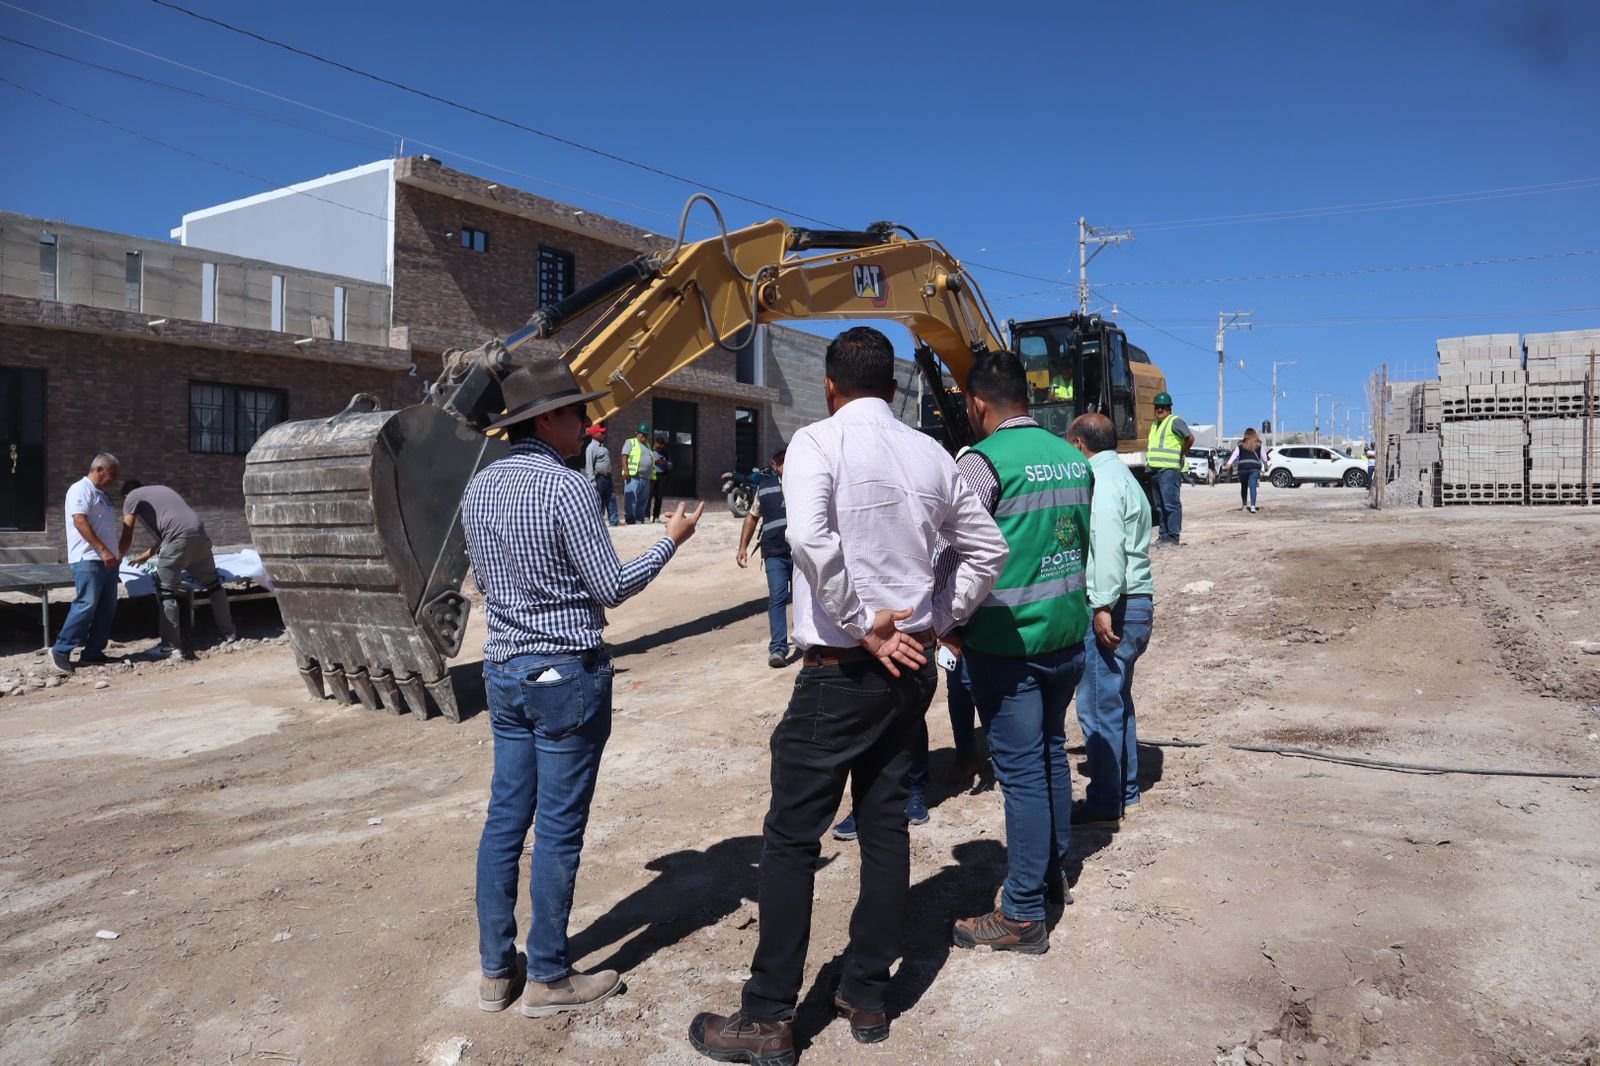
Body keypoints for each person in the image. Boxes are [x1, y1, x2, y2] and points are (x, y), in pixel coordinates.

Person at [688, 326, 1006, 1064]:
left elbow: (807, 540)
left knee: (792, 840)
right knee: (885, 827)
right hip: (910, 666)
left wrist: (864, 625)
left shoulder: (816, 443)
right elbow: (987, 549)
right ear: (892, 387)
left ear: (831, 386)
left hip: (843, 669)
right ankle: (866, 993)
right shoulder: (932, 454)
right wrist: (938, 618)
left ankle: (769, 1016)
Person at [462, 357, 704, 1020]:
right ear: (547, 419)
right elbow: (611, 587)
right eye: (578, 414)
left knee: (504, 821)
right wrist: (671, 541)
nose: (588, 426)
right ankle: (547, 975)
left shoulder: (479, 487)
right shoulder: (565, 488)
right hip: (561, 671)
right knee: (559, 828)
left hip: (505, 670)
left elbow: (482, 580)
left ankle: (495, 972)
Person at [944, 351, 1093, 956]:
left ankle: (1024, 912)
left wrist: (943, 619)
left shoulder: (982, 463)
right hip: (1067, 635)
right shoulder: (1072, 457)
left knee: (1022, 771)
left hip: (1008, 644)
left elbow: (952, 550)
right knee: (1051, 753)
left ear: (978, 403)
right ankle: (1051, 873)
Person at [1066, 413, 1155, 829]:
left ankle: (1105, 801)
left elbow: (1106, 546)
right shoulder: (1127, 478)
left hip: (1115, 604)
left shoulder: (1101, 481)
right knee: (1118, 701)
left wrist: (1101, 604)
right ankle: (1127, 791)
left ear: (1078, 444)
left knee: (1099, 705)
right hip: (1137, 601)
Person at [119, 480, 237, 657]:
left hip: (178, 540)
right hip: (200, 536)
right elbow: (172, 532)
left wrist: (117, 559)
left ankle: (170, 647)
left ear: (126, 495)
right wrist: (146, 555)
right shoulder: (162, 490)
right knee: (213, 585)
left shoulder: (132, 497)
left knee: (166, 591)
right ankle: (229, 633)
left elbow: (127, 533)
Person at [49, 453, 123, 673]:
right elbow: (79, 520)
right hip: (89, 558)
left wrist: (113, 554)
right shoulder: (80, 489)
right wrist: (102, 550)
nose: (115, 479)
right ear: (99, 469)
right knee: (86, 604)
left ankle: (93, 653)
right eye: (112, 474)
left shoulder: (101, 494)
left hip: (108, 561)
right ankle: (61, 650)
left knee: (107, 607)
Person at [736, 447, 793, 668]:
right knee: (777, 598)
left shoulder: (805, 483)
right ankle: (778, 649)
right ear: (773, 464)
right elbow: (752, 517)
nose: (784, 465)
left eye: (787, 459)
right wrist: (743, 547)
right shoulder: (765, 487)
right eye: (780, 461)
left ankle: (809, 644)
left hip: (801, 553)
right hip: (774, 553)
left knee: (805, 599)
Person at [1147, 391, 1193, 547]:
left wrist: (1181, 453)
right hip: (1155, 470)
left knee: (1170, 504)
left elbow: (1190, 438)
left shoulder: (1175, 421)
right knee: (1159, 506)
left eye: (1164, 407)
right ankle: (1163, 536)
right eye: (1157, 407)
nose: (1160, 410)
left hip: (1169, 470)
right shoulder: (1154, 425)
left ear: (1169, 408)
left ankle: (1173, 536)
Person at [583, 425, 619, 526]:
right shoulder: (591, 448)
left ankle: (614, 520)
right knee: (599, 500)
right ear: (594, 434)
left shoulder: (602, 446)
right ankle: (598, 522)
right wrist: (592, 481)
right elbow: (589, 465)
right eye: (601, 433)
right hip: (599, 478)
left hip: (607, 477)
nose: (603, 434)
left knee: (611, 498)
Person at [1225, 428, 1266, 513]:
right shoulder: (1258, 444)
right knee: (1253, 486)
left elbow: (1235, 454)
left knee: (1244, 486)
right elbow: (1264, 457)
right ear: (1255, 435)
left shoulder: (1241, 444)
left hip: (1243, 467)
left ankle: (1244, 505)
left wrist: (1229, 463)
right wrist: (1266, 465)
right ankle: (1253, 506)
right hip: (1255, 467)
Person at [621, 423, 655, 525]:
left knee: (643, 499)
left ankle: (639, 518)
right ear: (637, 433)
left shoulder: (647, 445)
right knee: (631, 498)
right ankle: (630, 518)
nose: (644, 436)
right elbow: (624, 456)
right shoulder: (630, 442)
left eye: (646, 435)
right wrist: (626, 470)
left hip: (646, 477)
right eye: (642, 434)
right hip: (633, 475)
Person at [650, 432, 670, 523]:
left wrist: (665, 462)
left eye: (661, 445)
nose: (660, 447)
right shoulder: (650, 451)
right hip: (652, 475)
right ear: (655, 443)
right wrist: (655, 461)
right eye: (659, 444)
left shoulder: (665, 452)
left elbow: (670, 464)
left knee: (659, 497)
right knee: (649, 496)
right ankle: (646, 515)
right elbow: (646, 461)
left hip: (662, 475)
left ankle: (656, 516)